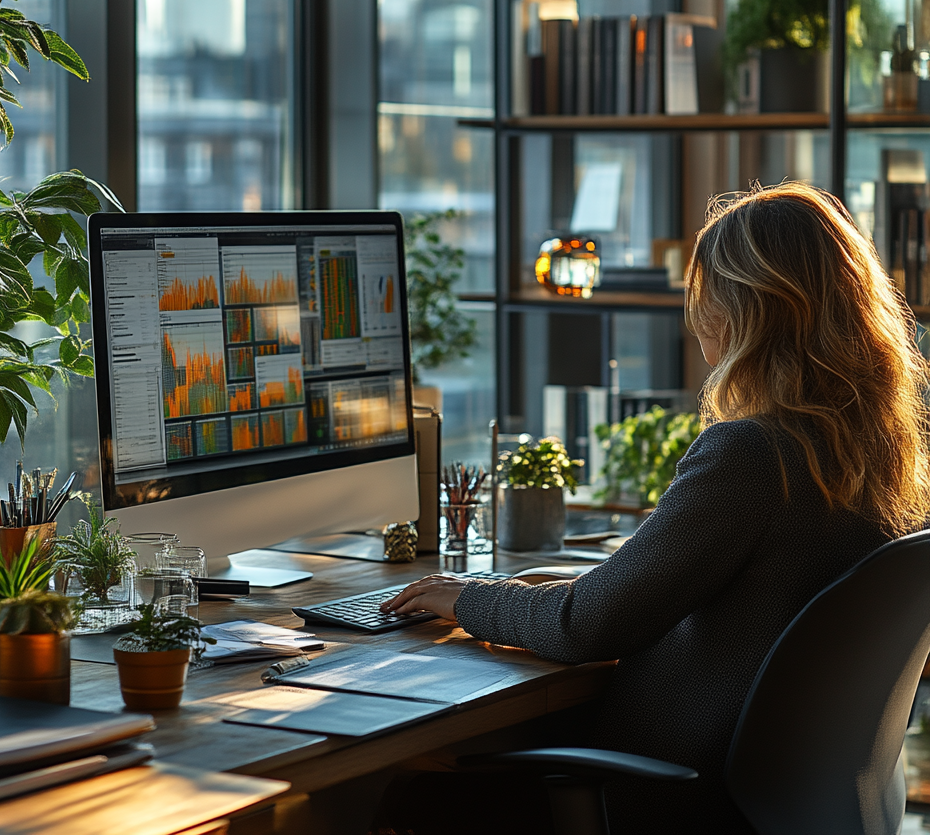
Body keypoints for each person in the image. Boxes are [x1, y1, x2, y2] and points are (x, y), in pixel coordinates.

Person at [381, 182, 930, 834]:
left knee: (406, 798)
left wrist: (466, 597)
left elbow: (589, 626)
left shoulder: (751, 454)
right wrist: (553, 592)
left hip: (675, 791)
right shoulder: (880, 450)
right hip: (778, 796)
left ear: (744, 312)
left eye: (705, 296)